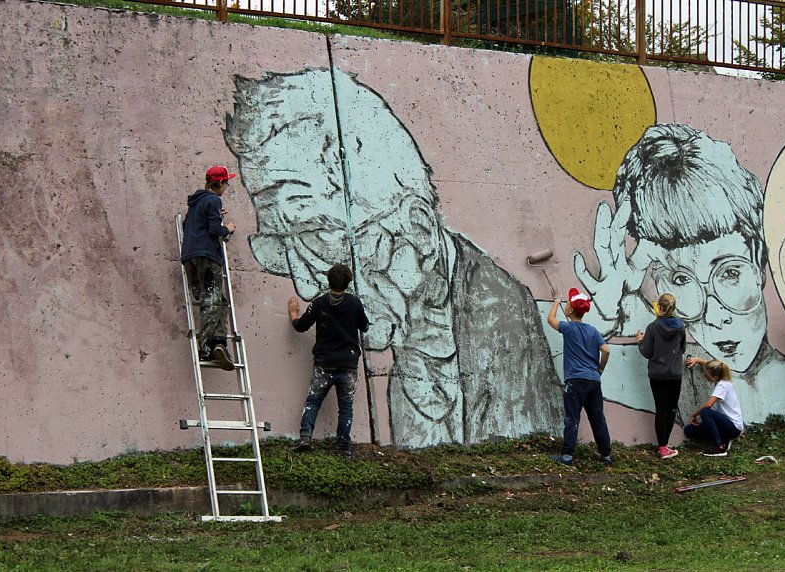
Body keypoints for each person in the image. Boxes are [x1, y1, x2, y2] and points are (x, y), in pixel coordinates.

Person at [224, 69, 564, 448]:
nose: (303, 283)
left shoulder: (500, 317)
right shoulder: (414, 328)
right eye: (280, 251)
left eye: (319, 236)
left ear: (416, 228)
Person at [574, 124, 785, 425]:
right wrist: (599, 325)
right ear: (660, 282)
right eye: (682, 280)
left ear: (757, 256)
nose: (714, 316)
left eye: (728, 273)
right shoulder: (675, 379)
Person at [288, 263, 370, 457]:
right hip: (348, 364)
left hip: (324, 363)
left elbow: (300, 326)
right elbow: (364, 326)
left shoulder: (319, 303)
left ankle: (306, 437)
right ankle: (343, 447)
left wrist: (293, 313)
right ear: (348, 283)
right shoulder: (355, 303)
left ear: (328, 280)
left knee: (313, 401)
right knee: (346, 408)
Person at [546, 288, 612, 466]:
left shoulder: (568, 328)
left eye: (567, 304)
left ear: (569, 310)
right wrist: (599, 370)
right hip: (593, 380)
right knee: (597, 418)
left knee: (572, 418)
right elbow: (605, 350)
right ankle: (606, 456)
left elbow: (550, 320)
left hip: (575, 380)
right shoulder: (592, 330)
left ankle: (567, 456)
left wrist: (556, 301)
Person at [180, 165, 237, 371]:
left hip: (189, 257)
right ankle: (205, 347)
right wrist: (227, 228)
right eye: (226, 182)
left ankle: (218, 343)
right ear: (219, 183)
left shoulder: (196, 204)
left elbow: (189, 225)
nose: (227, 186)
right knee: (213, 302)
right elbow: (215, 230)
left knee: (213, 301)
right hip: (207, 255)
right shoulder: (214, 199)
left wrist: (214, 214)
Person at [635, 293, 686, 460]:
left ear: (660, 308)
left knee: (661, 409)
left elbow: (647, 352)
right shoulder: (681, 327)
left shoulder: (653, 327)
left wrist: (640, 341)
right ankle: (665, 446)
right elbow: (682, 348)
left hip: (657, 375)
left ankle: (662, 447)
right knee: (671, 409)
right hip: (675, 374)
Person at [683, 358, 743, 457]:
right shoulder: (720, 374)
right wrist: (697, 361)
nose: (705, 377)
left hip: (733, 428)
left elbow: (708, 405)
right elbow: (710, 366)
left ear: (715, 377)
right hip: (723, 425)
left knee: (705, 411)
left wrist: (694, 414)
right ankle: (724, 439)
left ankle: (719, 447)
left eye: (707, 376)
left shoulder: (722, 386)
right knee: (689, 430)